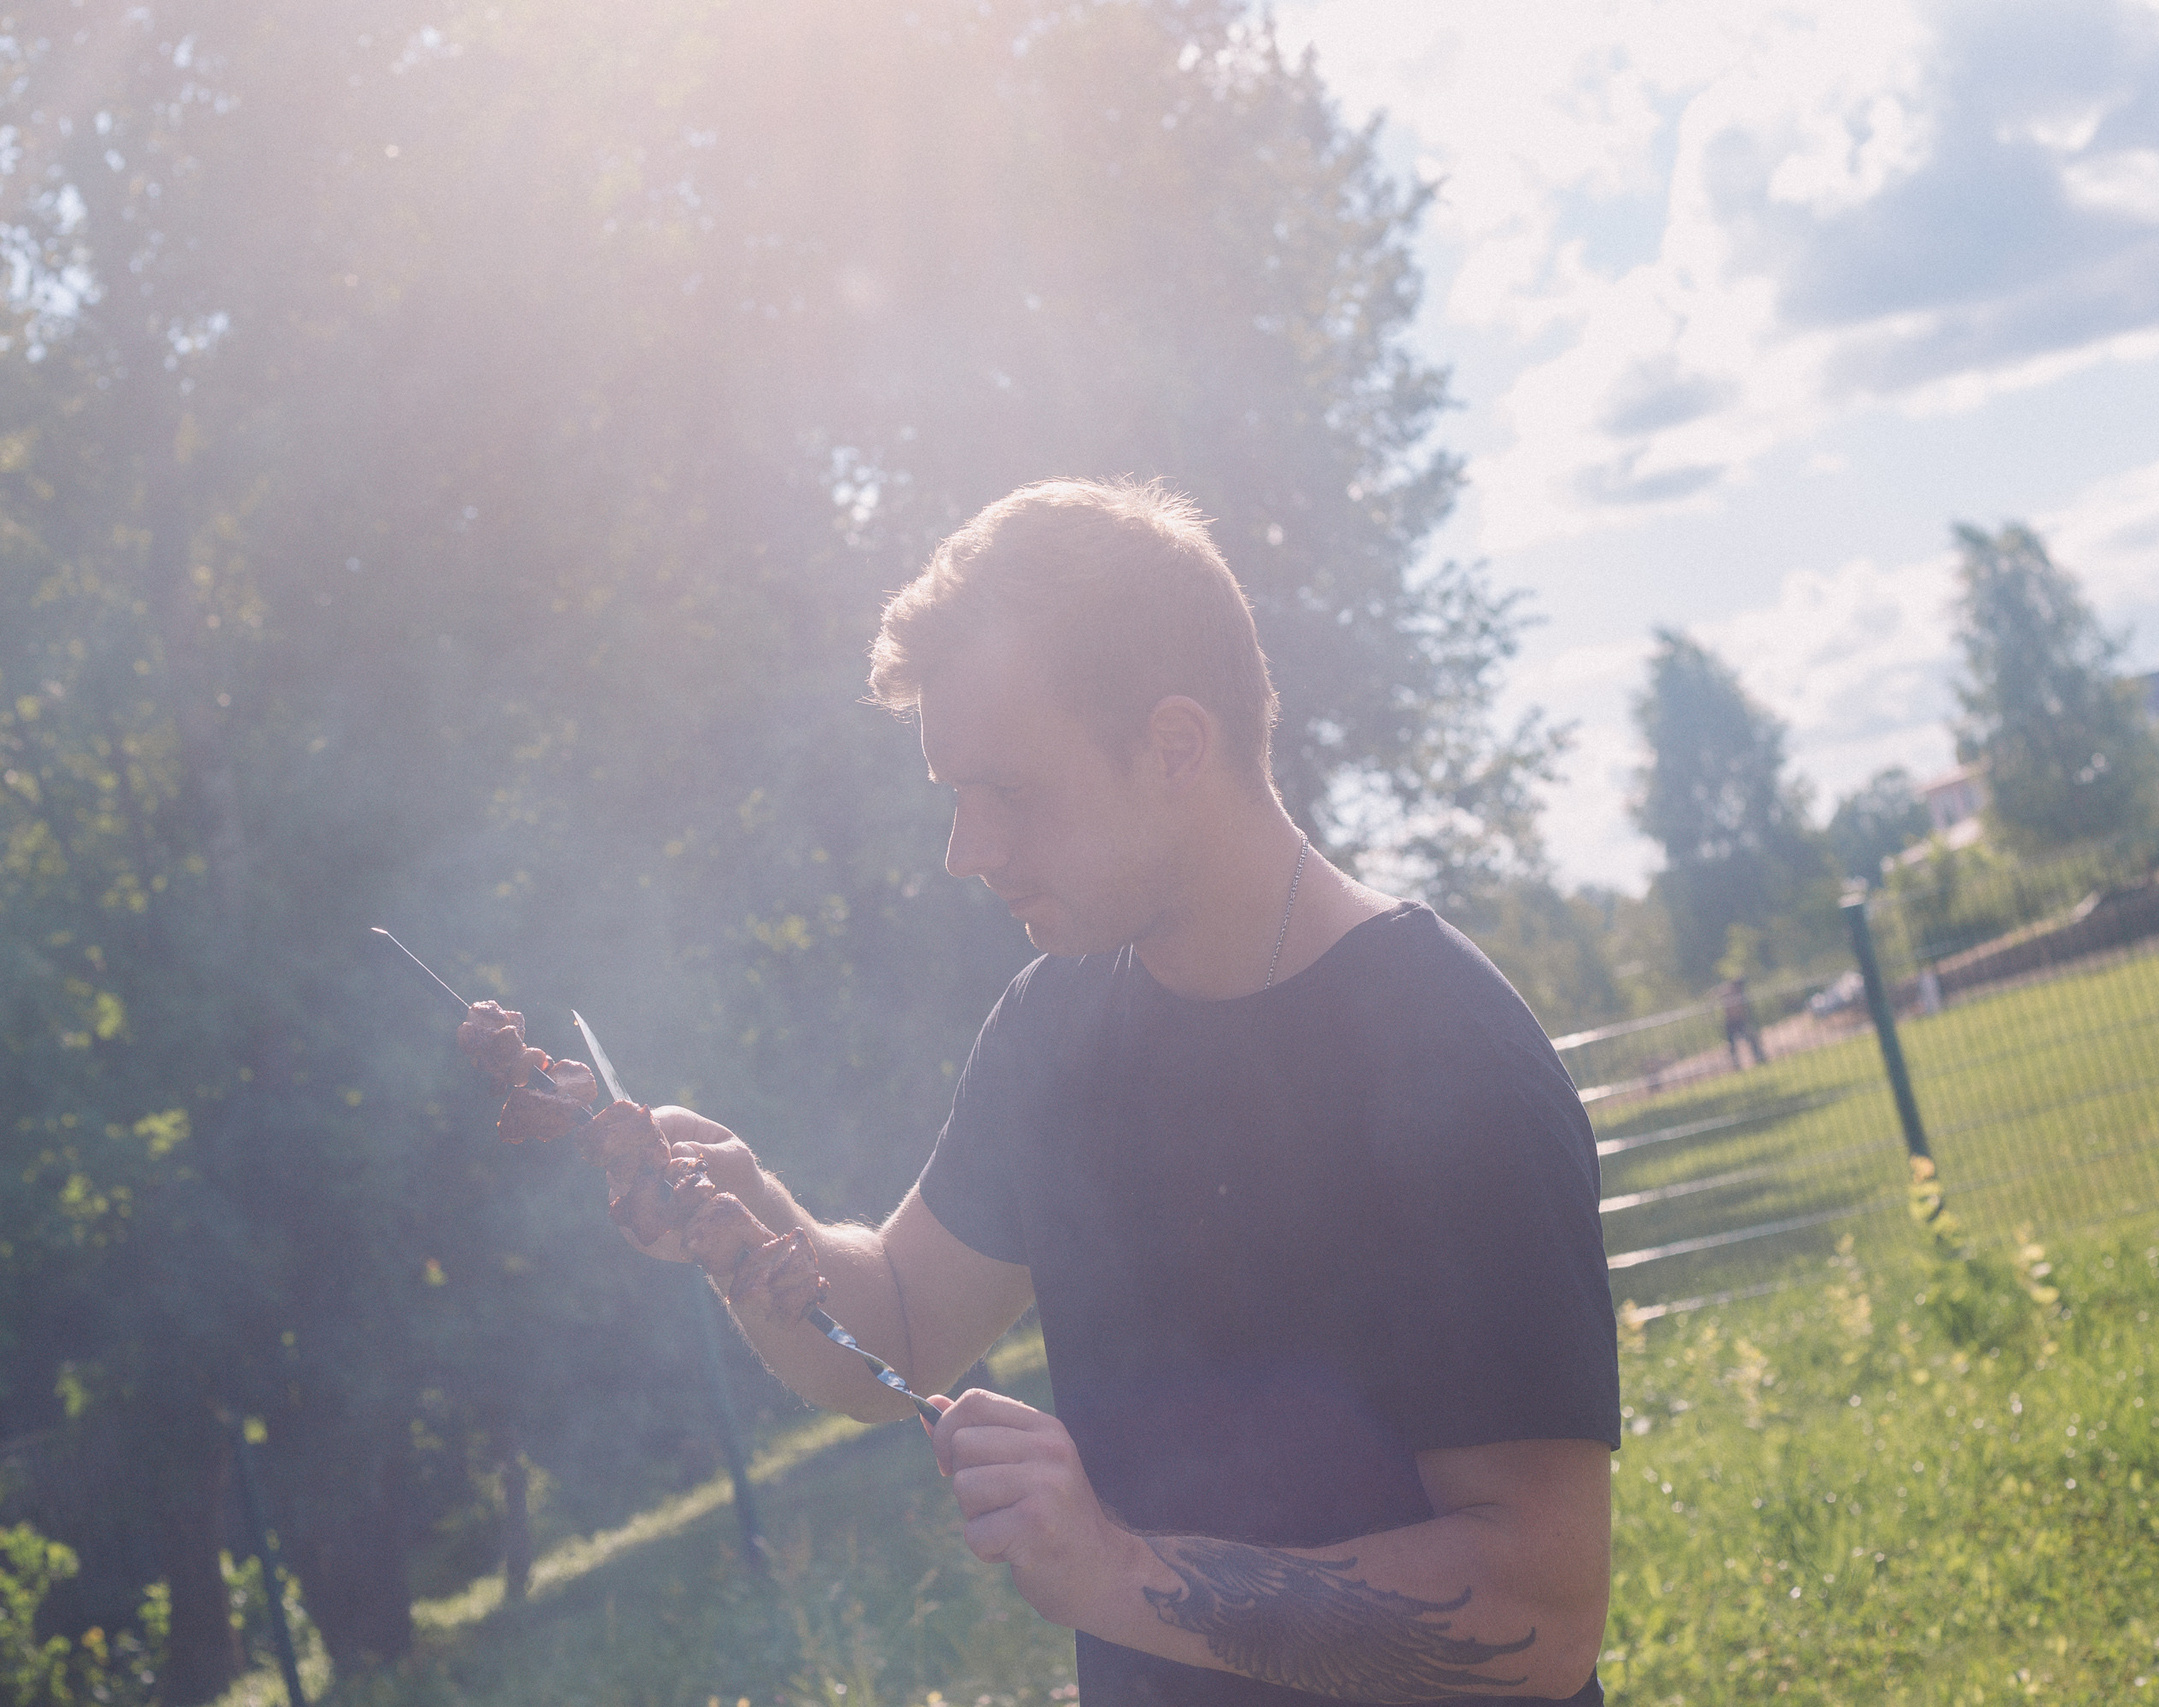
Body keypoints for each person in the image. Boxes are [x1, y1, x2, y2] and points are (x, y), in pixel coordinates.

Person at [636, 479, 1618, 1705]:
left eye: (1011, 792)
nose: (966, 851)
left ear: (1173, 747)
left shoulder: (1447, 1053)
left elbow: (1538, 1615)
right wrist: (746, 1229)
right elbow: (898, 1324)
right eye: (954, 797)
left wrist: (1113, 1573)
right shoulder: (1052, 1025)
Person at [1718, 978, 1765, 1070]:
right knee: (1733, 1046)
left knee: (1752, 1039)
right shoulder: (1728, 993)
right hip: (1731, 1023)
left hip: (1741, 1022)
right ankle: (1736, 1064)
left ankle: (1759, 1058)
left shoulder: (1741, 995)